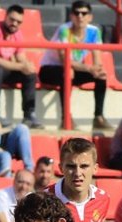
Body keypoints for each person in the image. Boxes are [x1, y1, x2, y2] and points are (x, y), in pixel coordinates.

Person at [38, 1, 111, 130]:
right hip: (49, 69)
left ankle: (98, 117)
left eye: (84, 13)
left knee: (101, 76)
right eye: (77, 13)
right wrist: (89, 68)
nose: (80, 17)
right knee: (67, 72)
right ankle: (66, 118)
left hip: (73, 68)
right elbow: (64, 60)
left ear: (90, 17)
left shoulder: (94, 32)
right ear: (71, 16)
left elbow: (97, 59)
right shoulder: (64, 30)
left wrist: (96, 70)